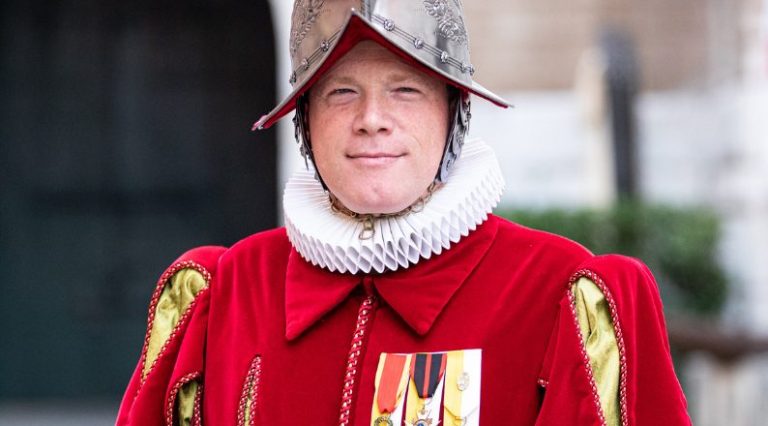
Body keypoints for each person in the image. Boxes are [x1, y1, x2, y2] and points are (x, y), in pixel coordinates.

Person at [116, 1, 691, 425]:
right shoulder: (225, 294)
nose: (372, 119)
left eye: (405, 89)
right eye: (342, 92)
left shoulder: (560, 296)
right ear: (306, 122)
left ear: (453, 112)